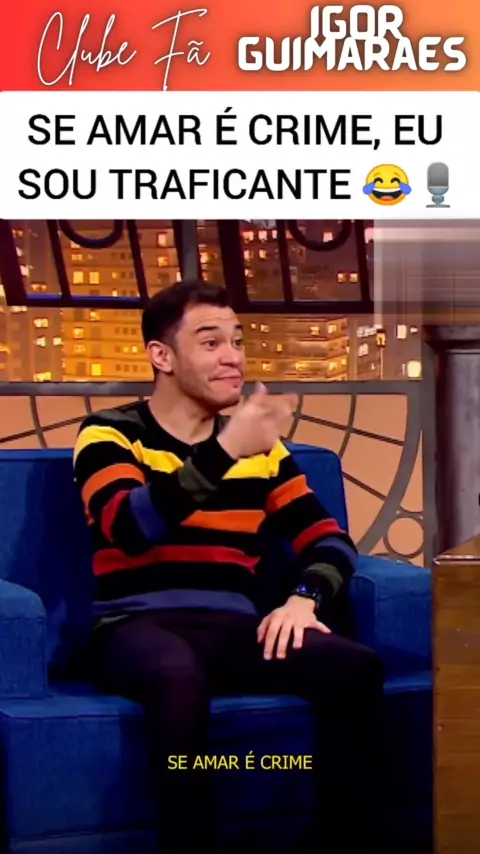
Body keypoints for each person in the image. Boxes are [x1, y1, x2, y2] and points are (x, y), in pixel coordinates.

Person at [74, 280, 385, 854]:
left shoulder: (262, 450)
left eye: (238, 342)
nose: (233, 358)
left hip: (232, 625)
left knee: (356, 668)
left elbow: (330, 540)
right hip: (133, 625)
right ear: (162, 356)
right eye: (211, 342)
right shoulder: (110, 433)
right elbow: (129, 527)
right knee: (176, 676)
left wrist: (304, 598)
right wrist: (224, 452)